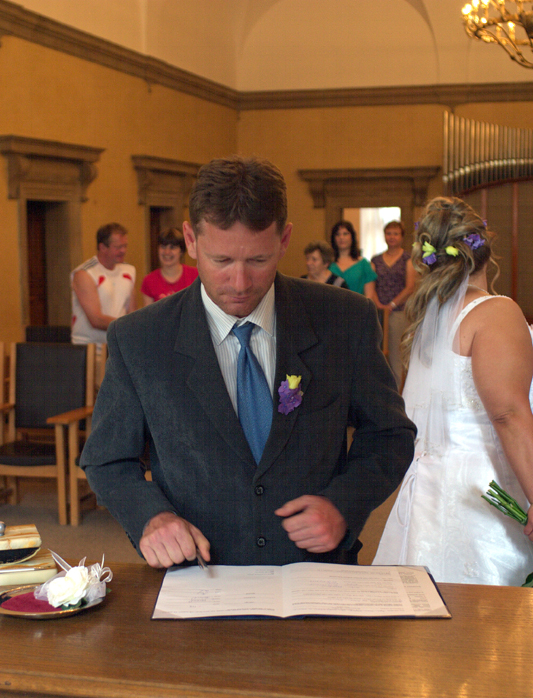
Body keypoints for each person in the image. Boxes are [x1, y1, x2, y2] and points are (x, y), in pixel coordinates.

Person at [81, 156, 415, 570]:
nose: (239, 284)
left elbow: (390, 434)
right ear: (190, 240)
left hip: (315, 572)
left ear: (284, 239)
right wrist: (151, 517)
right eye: (221, 261)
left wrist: (344, 503)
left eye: (258, 260)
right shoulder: (139, 339)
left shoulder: (344, 319)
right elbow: (107, 459)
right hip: (198, 574)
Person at [373, 196, 533, 585]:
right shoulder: (496, 312)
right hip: (482, 490)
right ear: (486, 248)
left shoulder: (428, 317)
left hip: (425, 491)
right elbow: (508, 414)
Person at [71, 223, 135, 345]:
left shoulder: (129, 271)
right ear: (102, 247)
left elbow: (131, 313)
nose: (123, 250)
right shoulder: (85, 273)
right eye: (118, 247)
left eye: (125, 246)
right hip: (90, 347)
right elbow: (96, 320)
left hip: (117, 346)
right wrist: (130, 326)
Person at [370, 220, 417, 388]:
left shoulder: (408, 259)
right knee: (378, 353)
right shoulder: (376, 259)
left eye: (395, 234)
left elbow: (410, 287)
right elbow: (371, 284)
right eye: (389, 233)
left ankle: (397, 392)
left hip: (398, 312)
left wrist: (391, 304)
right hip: (378, 312)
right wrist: (378, 304)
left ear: (402, 237)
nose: (392, 237)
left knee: (396, 356)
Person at [141, 227, 198, 305]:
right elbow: (149, 312)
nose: (167, 252)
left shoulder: (196, 275)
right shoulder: (149, 281)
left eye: (172, 247)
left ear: (181, 251)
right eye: (163, 247)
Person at [329, 220, 377, 295]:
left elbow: (369, 296)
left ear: (352, 237)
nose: (341, 237)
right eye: (337, 234)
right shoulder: (327, 264)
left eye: (345, 234)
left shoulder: (363, 264)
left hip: (358, 302)